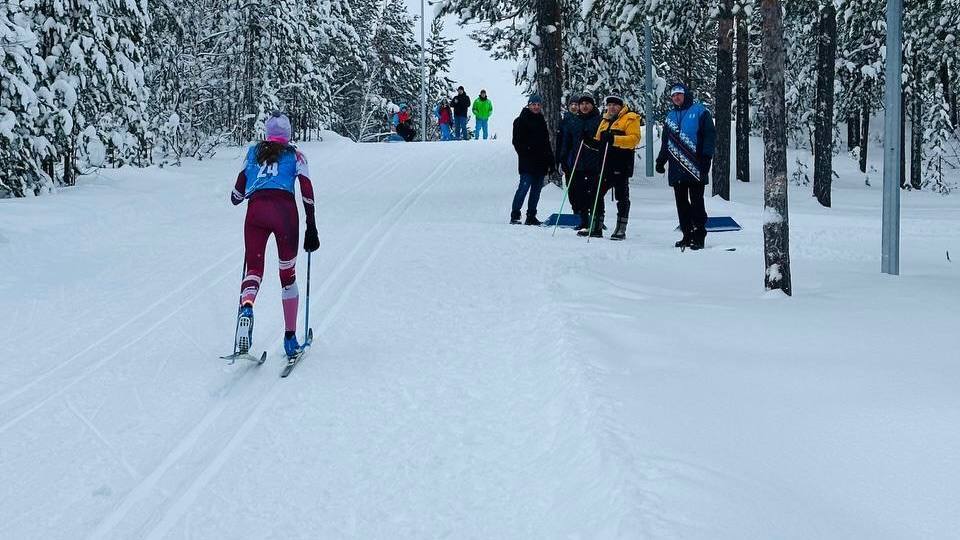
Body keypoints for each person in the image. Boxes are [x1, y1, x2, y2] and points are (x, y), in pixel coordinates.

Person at [230, 112, 320, 358]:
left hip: (256, 213)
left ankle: (247, 309)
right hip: (284, 213)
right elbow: (307, 190)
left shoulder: (253, 153)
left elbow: (236, 196)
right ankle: (290, 338)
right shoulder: (296, 155)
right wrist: (311, 226)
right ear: (288, 134)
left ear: (267, 134)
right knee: (287, 275)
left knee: (254, 269)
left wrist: (245, 191)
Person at [655, 83, 716, 250]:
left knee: (696, 202)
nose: (676, 97)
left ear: (685, 94)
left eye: (679, 94)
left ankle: (699, 235)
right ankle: (687, 234)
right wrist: (661, 161)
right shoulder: (670, 116)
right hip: (676, 167)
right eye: (673, 95)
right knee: (681, 203)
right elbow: (666, 142)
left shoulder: (700, 111)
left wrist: (706, 157)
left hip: (695, 165)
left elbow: (710, 136)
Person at [579, 94, 641, 240]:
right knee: (595, 193)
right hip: (604, 164)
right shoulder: (605, 120)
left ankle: (620, 229)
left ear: (621, 106)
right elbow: (600, 143)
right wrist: (588, 141)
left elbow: (634, 140)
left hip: (621, 163)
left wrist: (614, 139)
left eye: (615, 105)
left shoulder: (630, 118)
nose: (612, 107)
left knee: (622, 196)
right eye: (610, 105)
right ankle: (596, 227)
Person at [510, 94, 555, 225]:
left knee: (536, 191)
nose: (536, 107)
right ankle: (515, 215)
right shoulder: (520, 120)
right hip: (527, 162)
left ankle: (531, 216)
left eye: (538, 105)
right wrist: (527, 151)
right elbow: (517, 142)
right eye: (533, 104)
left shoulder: (541, 121)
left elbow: (547, 143)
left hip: (541, 163)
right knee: (523, 188)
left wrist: (551, 162)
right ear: (528, 105)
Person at [570, 96, 603, 232]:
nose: (584, 106)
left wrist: (590, 140)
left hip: (593, 163)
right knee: (580, 194)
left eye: (587, 104)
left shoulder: (598, 120)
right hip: (579, 163)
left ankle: (596, 223)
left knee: (594, 195)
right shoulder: (576, 120)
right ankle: (583, 222)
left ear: (592, 105)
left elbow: (601, 142)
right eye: (582, 104)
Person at [556, 97, 583, 221]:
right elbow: (559, 142)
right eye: (572, 104)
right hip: (568, 159)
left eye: (576, 104)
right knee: (571, 187)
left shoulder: (583, 120)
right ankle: (575, 211)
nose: (574, 107)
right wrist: (559, 160)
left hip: (582, 160)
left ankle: (584, 213)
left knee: (581, 187)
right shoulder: (564, 121)